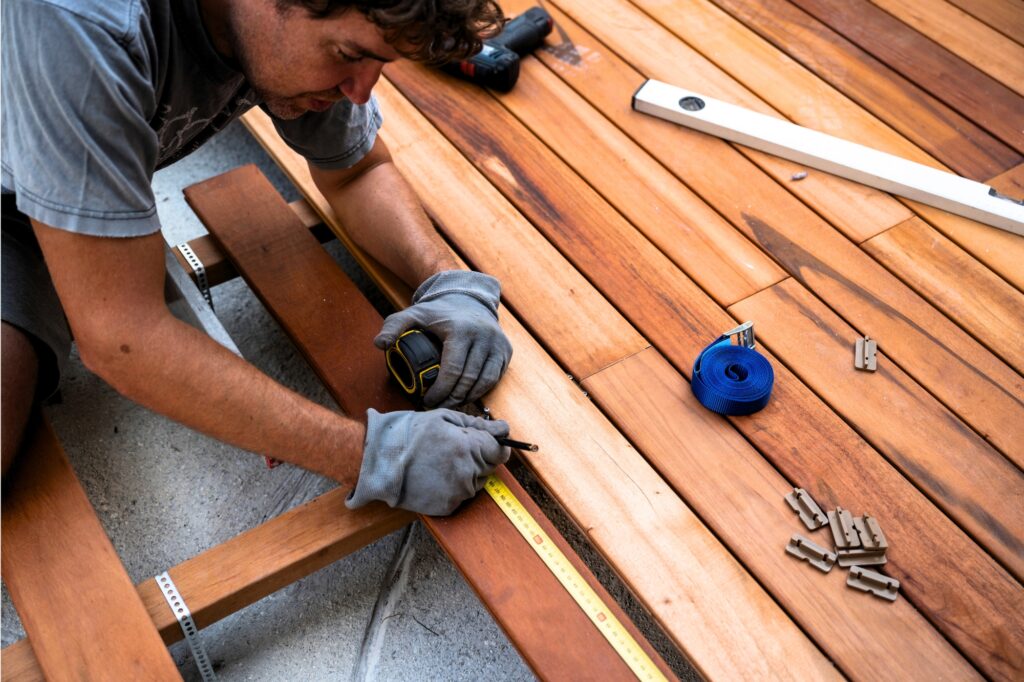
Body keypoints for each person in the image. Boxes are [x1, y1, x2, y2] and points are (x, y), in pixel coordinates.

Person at [1, 0, 515, 516]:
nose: (360, 90)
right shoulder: (85, 25)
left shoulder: (279, 35)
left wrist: (447, 281)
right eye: (348, 54)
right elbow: (122, 337)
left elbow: (356, 173)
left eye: (380, 65)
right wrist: (368, 455)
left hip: (36, 177)